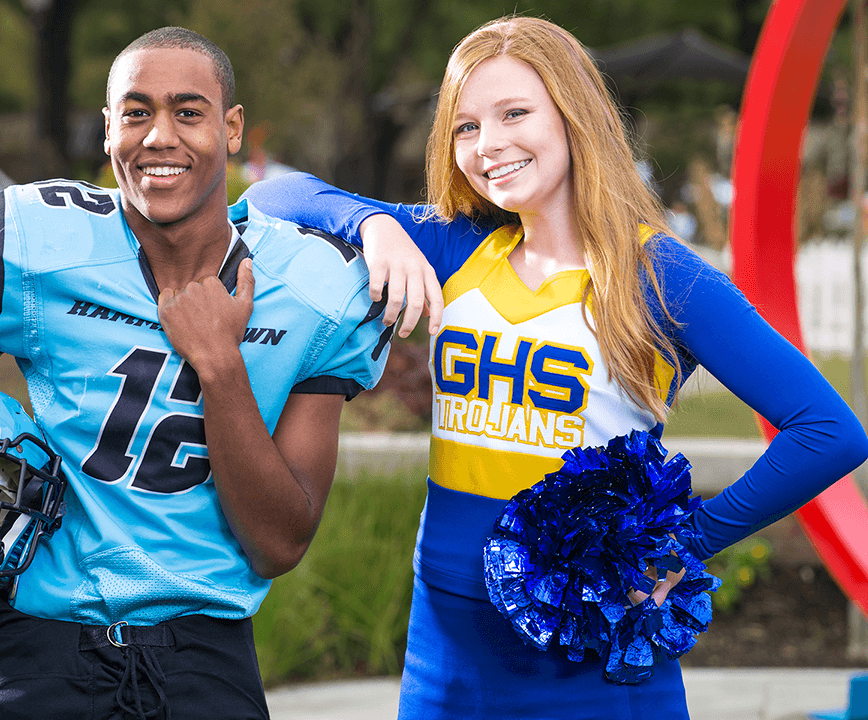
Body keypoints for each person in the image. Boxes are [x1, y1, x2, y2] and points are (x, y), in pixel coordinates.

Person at [242, 15, 868, 719]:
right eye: (466, 126)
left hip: (592, 643)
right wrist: (374, 224)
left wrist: (687, 543)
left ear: (575, 114)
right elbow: (271, 199)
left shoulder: (659, 274)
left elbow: (829, 430)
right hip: (447, 645)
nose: (490, 144)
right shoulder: (454, 244)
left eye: (515, 113)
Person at [0, 27, 395, 720]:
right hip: (41, 650)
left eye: (189, 111)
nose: (160, 136)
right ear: (108, 130)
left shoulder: (313, 287)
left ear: (232, 129)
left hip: (206, 655)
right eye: (137, 112)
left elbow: (278, 544)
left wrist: (221, 365)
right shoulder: (37, 245)